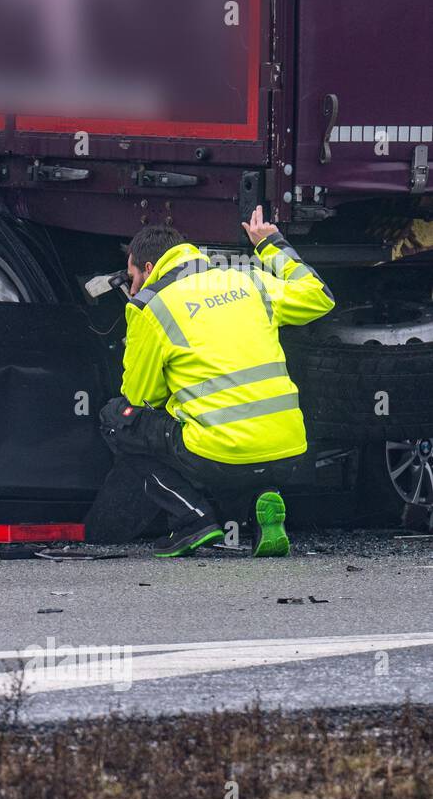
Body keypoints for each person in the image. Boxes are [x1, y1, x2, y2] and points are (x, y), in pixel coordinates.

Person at [85, 206, 335, 557]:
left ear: (148, 268)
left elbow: (141, 397)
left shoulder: (150, 306)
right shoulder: (249, 279)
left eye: (132, 278)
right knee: (224, 432)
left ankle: (194, 520)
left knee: (120, 421)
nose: (133, 287)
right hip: (288, 452)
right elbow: (319, 296)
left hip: (219, 454)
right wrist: (271, 243)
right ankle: (263, 500)